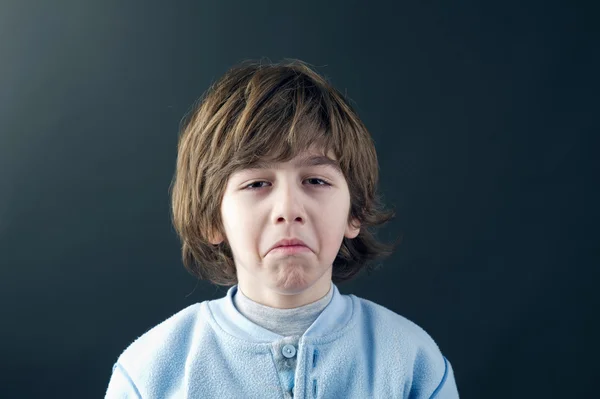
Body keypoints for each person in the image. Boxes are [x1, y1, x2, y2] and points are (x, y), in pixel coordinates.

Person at [105, 58, 459, 398]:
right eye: (257, 184)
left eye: (316, 180)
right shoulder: (150, 373)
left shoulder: (413, 363)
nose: (289, 210)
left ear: (355, 212)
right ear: (213, 220)